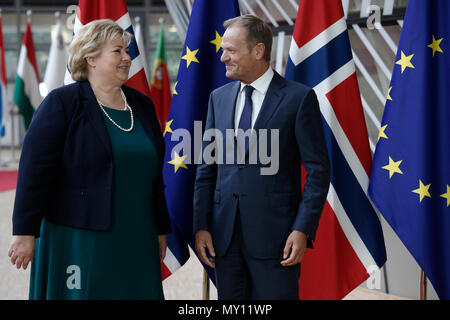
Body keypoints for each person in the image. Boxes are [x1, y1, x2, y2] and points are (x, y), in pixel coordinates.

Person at [8, 19, 171, 300]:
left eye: (126, 51)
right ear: (91, 57)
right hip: (79, 236)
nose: (126, 58)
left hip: (138, 233)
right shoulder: (62, 103)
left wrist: (160, 228)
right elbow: (34, 171)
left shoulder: (142, 105)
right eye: (117, 51)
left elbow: (155, 176)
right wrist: (24, 232)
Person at [194, 15, 331, 300]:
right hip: (224, 239)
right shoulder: (217, 98)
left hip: (277, 240)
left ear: (258, 51)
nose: (222, 57)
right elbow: (207, 169)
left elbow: (318, 172)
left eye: (230, 50)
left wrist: (302, 229)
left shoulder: (298, 98)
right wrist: (202, 225)